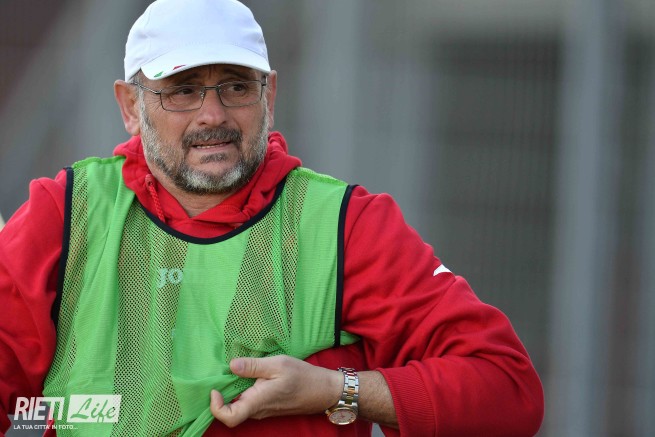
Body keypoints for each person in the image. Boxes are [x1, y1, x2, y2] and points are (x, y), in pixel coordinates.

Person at [0, 0, 544, 436]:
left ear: (270, 94)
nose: (213, 114)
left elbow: (507, 389)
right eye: (183, 91)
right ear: (129, 106)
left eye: (236, 86)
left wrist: (337, 391)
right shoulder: (67, 213)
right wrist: (50, 418)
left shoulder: (345, 225)